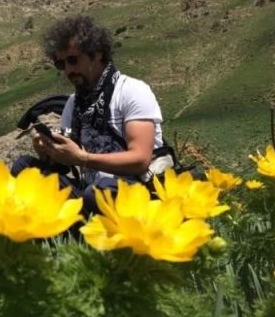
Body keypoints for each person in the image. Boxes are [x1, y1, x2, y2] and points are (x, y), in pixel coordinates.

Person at [11, 14, 164, 214]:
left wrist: (83, 158)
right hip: (90, 190)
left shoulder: (131, 90)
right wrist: (49, 152)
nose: (68, 70)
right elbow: (65, 164)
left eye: (73, 60)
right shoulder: (73, 103)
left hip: (136, 191)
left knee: (96, 195)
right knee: (25, 168)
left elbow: (140, 160)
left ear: (98, 53)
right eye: (61, 64)